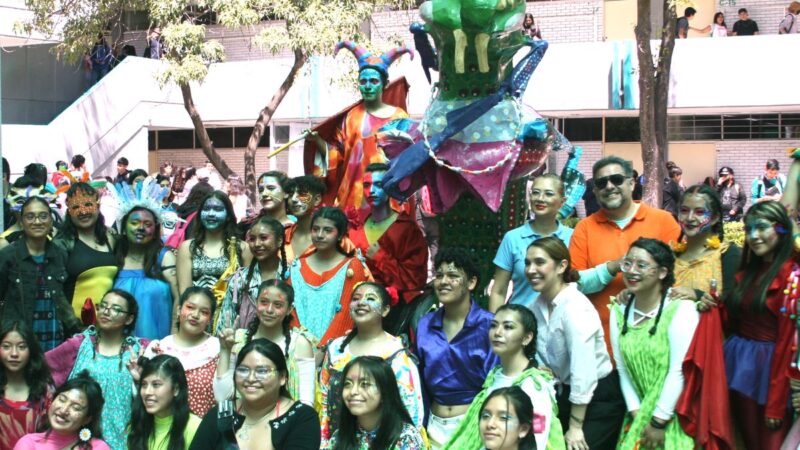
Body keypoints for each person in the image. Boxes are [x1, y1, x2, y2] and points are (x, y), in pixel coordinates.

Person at [569, 156, 681, 350]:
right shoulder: (584, 228)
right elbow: (576, 284)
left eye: (617, 179)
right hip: (601, 347)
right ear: (595, 191)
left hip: (655, 345)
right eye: (601, 183)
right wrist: (613, 266)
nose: (609, 186)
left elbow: (677, 277)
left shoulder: (664, 221)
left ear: (631, 183)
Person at [527, 237, 625, 450]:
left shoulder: (575, 307)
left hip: (597, 399)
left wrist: (575, 426)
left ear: (562, 266)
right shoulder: (535, 307)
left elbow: (584, 371)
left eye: (539, 262)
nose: (531, 270)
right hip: (562, 396)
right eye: (527, 263)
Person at [610, 239, 700, 449]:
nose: (632, 271)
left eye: (641, 265)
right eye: (628, 263)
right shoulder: (618, 310)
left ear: (662, 272)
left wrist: (658, 421)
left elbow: (679, 370)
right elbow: (623, 369)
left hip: (674, 414)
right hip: (639, 412)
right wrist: (637, 413)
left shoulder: (681, 309)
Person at [305, 41, 411, 215]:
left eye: (374, 81)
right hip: (352, 199)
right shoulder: (351, 116)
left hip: (387, 199)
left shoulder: (398, 116)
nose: (368, 86)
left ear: (385, 84)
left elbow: (407, 159)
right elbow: (336, 155)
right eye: (363, 81)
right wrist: (317, 141)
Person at [724, 201, 796, 448]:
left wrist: (776, 404)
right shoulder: (750, 271)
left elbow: (788, 343)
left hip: (771, 373)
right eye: (748, 228)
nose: (753, 236)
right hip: (737, 365)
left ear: (781, 230)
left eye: (761, 228)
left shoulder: (792, 277)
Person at [442, 304, 563, 450]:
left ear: (526, 338)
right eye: (493, 326)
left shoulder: (534, 385)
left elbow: (539, 437)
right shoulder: (494, 375)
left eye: (508, 327)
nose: (497, 332)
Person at [318, 282, 424, 445]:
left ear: (386, 309)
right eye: (356, 298)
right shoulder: (336, 349)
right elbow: (324, 396)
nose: (361, 302)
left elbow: (411, 409)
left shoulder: (396, 352)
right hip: (342, 438)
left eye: (370, 298)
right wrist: (325, 439)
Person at [415, 248, 499, 449]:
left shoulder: (489, 326)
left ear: (471, 283)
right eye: (439, 275)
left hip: (473, 424)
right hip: (433, 426)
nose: (443, 281)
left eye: (453, 276)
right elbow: (418, 379)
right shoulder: (425, 324)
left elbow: (497, 381)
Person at [46, 289, 146, 450]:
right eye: (103, 306)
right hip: (77, 442)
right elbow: (42, 368)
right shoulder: (79, 345)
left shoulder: (139, 351)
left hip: (122, 441)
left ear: (129, 318)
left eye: (115, 309)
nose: (106, 311)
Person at [189, 339, 320, 450]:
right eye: (243, 370)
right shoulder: (220, 413)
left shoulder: (302, 417)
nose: (251, 378)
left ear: (282, 377)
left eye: (262, 371)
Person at [215, 280, 316, 406]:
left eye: (278, 305)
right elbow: (221, 397)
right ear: (256, 303)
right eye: (264, 302)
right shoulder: (238, 340)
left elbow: (306, 403)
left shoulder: (300, 344)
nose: (269, 310)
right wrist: (225, 350)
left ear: (290, 309)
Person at [0, 196, 80, 351]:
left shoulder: (60, 254)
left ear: (51, 221)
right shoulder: (7, 256)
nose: (37, 222)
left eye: (43, 216)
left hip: (55, 341)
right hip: (19, 344)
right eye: (30, 217)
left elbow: (64, 298)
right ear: (22, 223)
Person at [489, 174, 574, 311]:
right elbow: (499, 290)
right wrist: (495, 324)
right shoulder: (512, 238)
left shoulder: (573, 237)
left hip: (560, 322)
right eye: (535, 193)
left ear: (562, 201)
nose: (540, 199)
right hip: (520, 322)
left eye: (548, 194)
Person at [290, 207, 372, 345]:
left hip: (336, 351)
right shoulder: (296, 267)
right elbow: (291, 310)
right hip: (297, 350)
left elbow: (346, 314)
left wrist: (324, 350)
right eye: (315, 229)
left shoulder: (352, 266)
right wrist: (302, 347)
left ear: (340, 235)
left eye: (327, 230)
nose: (320, 235)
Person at [348, 163, 428, 304]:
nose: (371, 191)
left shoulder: (406, 230)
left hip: (394, 310)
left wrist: (381, 258)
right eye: (367, 185)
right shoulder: (355, 231)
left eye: (378, 185)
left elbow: (415, 281)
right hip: (354, 307)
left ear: (390, 187)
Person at [143, 287, 220, 418]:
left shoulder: (218, 348)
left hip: (203, 430)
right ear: (179, 310)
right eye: (190, 307)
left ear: (210, 319)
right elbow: (144, 395)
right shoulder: (157, 347)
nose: (195, 315)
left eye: (204, 312)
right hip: (162, 429)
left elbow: (225, 397)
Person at [176, 191, 247, 328]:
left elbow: (247, 295)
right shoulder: (188, 248)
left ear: (228, 216)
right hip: (196, 321)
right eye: (206, 209)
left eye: (218, 209)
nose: (211, 214)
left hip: (230, 323)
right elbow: (184, 294)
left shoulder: (242, 248)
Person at [326, 356, 425, 449]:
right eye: (347, 384)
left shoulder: (406, 438)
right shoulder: (339, 437)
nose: (353, 391)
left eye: (364, 384)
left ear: (384, 391)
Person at [53, 183, 118, 317]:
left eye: (88, 205)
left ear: (98, 206)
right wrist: (72, 325)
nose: (83, 212)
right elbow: (55, 291)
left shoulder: (111, 238)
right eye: (76, 207)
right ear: (69, 211)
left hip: (110, 324)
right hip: (75, 329)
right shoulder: (62, 244)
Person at [113, 206, 178, 340]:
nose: (141, 228)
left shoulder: (164, 258)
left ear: (155, 230)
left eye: (147, 224)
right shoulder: (113, 258)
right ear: (124, 227)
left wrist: (174, 332)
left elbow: (179, 297)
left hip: (158, 340)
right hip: (117, 340)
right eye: (134, 223)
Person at [216, 216, 288, 332]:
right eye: (252, 239)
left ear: (279, 241)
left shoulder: (291, 276)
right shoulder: (239, 279)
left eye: (263, 238)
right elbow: (226, 324)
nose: (257, 244)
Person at [13, 371, 110, 450]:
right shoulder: (29, 444)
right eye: (62, 400)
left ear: (87, 419)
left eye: (76, 407)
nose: (64, 410)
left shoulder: (98, 447)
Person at [127, 355, 202, 450]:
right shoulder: (136, 426)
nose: (147, 392)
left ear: (176, 389)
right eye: (144, 385)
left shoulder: (195, 427)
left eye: (156, 385)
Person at [0, 321, 53, 450]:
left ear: (31, 350)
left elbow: (52, 437)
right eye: (6, 346)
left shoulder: (45, 391)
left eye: (21, 347)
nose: (14, 353)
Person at [285, 175, 325, 260]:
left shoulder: (332, 238)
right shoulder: (282, 236)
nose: (293, 199)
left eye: (302, 194)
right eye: (291, 194)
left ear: (317, 199)